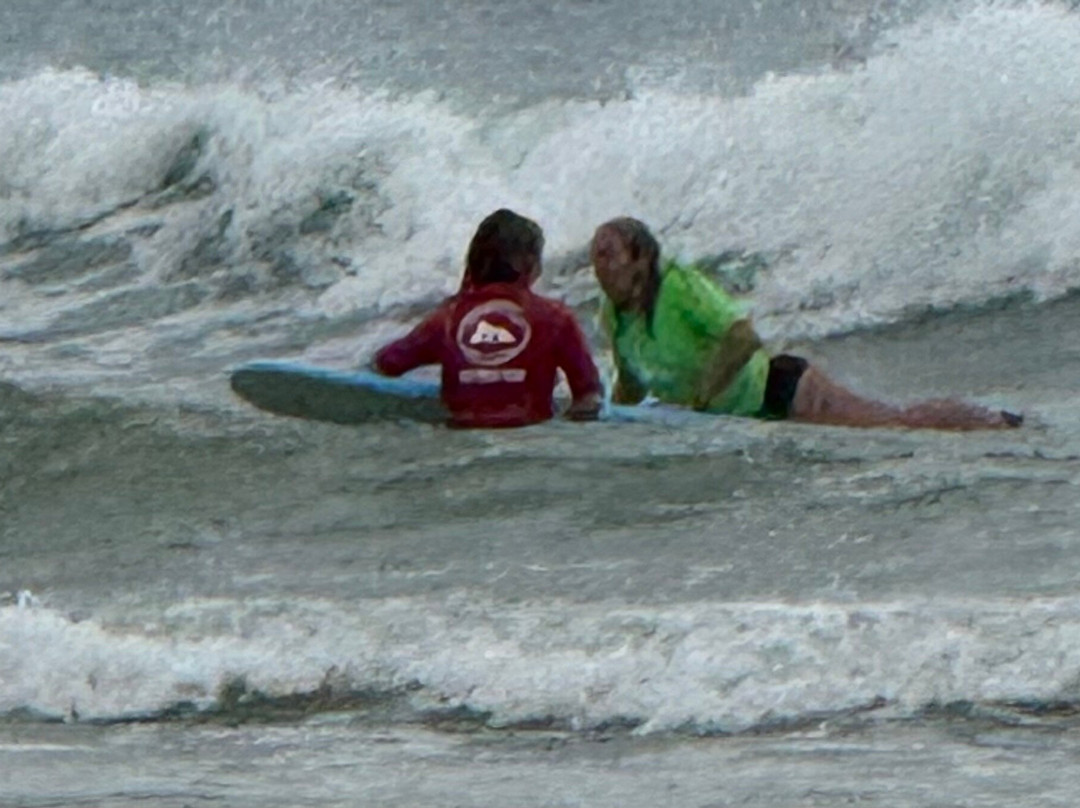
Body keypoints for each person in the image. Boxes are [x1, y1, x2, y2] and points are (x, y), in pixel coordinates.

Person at [590, 216, 1023, 430]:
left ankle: (995, 422)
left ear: (642, 259)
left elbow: (743, 337)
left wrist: (705, 391)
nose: (598, 264)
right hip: (744, 418)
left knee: (894, 422)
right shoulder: (614, 315)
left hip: (778, 389)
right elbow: (630, 385)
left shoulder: (680, 287)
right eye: (595, 255)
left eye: (609, 253)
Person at [373, 209, 603, 428]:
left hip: (460, 436)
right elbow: (589, 398)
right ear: (531, 264)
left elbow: (388, 363)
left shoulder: (446, 318)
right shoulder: (556, 318)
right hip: (530, 439)